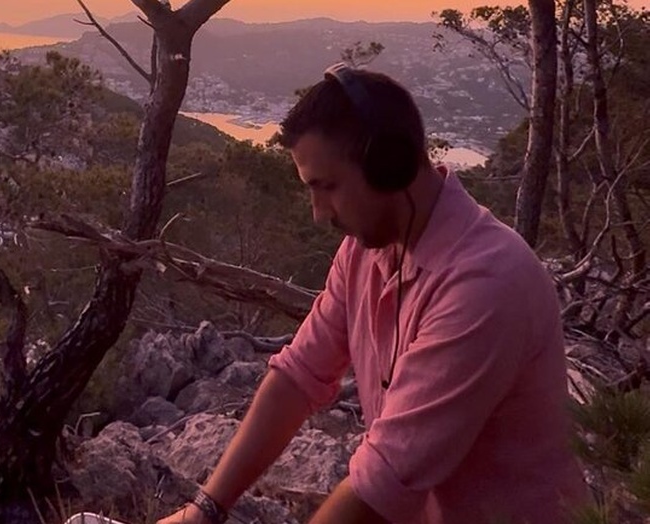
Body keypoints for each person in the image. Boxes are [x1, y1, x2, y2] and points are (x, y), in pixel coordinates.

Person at [156, 63, 589, 524]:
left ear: (388, 166)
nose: (319, 213)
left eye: (328, 187)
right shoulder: (365, 253)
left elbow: (381, 483)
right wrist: (203, 510)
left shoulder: (486, 283)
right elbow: (298, 377)